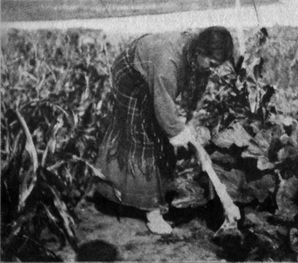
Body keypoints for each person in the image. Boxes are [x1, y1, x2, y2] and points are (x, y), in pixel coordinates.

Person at [95, 26, 234, 234]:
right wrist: (188, 141)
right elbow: (166, 113)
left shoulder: (195, 57)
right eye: (212, 64)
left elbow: (191, 97)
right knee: (146, 136)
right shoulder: (168, 61)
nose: (213, 69)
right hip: (131, 74)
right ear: (199, 52)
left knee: (161, 133)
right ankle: (151, 211)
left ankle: (123, 186)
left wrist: (191, 135)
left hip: (151, 67)